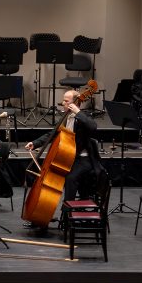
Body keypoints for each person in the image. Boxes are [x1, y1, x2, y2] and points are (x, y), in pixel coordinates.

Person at [23, 88, 99, 225]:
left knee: (71, 178)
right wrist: (34, 144)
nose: (62, 103)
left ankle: (67, 216)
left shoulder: (82, 117)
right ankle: (41, 212)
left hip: (83, 159)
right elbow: (51, 134)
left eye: (66, 101)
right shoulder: (64, 118)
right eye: (63, 100)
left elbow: (93, 127)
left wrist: (78, 112)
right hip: (68, 158)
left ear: (75, 103)